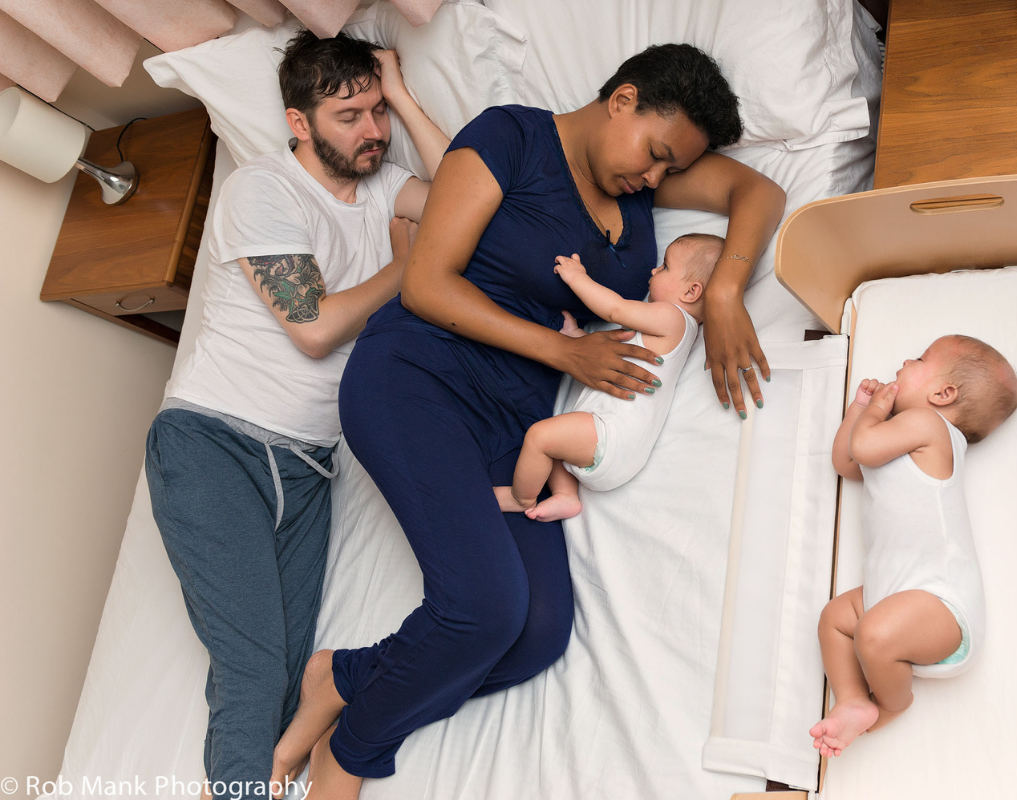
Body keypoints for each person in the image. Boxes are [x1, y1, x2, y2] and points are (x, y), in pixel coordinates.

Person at [273, 43, 787, 798]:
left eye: (668, 170)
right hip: (418, 379)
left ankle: (342, 677)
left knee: (536, 633)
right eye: (653, 155)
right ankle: (346, 759)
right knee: (482, 611)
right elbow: (425, 283)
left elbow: (760, 193)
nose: (654, 178)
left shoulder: (646, 189)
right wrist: (564, 353)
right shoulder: (509, 137)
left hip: (511, 425)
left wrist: (721, 294)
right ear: (622, 100)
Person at [144, 30, 449, 800]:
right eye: (349, 115)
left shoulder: (384, 185)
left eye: (376, 110)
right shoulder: (262, 189)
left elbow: (466, 190)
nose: (371, 131)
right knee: (251, 666)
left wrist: (405, 97)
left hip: (308, 470)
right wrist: (406, 268)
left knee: (283, 670)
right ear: (299, 122)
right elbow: (312, 328)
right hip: (214, 445)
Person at [810, 335, 1017, 758]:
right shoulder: (898, 438)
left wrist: (871, 413)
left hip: (941, 606)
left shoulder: (930, 427)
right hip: (896, 597)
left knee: (871, 631)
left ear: (943, 395)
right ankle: (852, 697)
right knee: (835, 618)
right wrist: (856, 414)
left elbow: (864, 448)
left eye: (920, 358)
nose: (904, 359)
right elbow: (847, 462)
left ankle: (892, 703)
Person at [494, 233, 723, 522]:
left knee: (540, 436)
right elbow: (618, 356)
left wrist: (578, 278)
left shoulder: (672, 317)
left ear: (691, 292)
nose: (653, 271)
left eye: (664, 267)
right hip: (620, 452)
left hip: (610, 436)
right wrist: (577, 338)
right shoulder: (675, 332)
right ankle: (566, 495)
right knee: (557, 444)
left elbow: (614, 308)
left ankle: (520, 497)